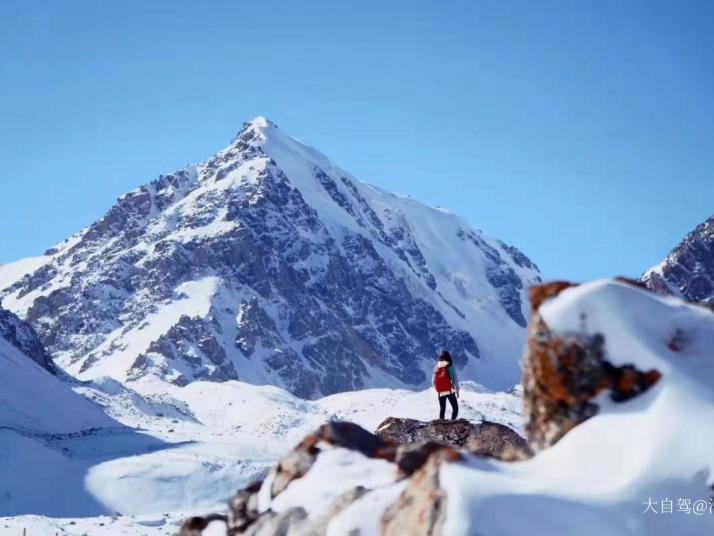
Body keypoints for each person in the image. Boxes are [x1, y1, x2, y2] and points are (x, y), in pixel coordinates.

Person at [432, 350, 459, 420]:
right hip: (450, 391)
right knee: (455, 408)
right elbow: (455, 380)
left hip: (440, 393)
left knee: (442, 410)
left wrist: (438, 389)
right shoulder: (450, 366)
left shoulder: (437, 366)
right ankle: (452, 422)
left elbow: (433, 381)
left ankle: (441, 425)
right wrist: (457, 392)